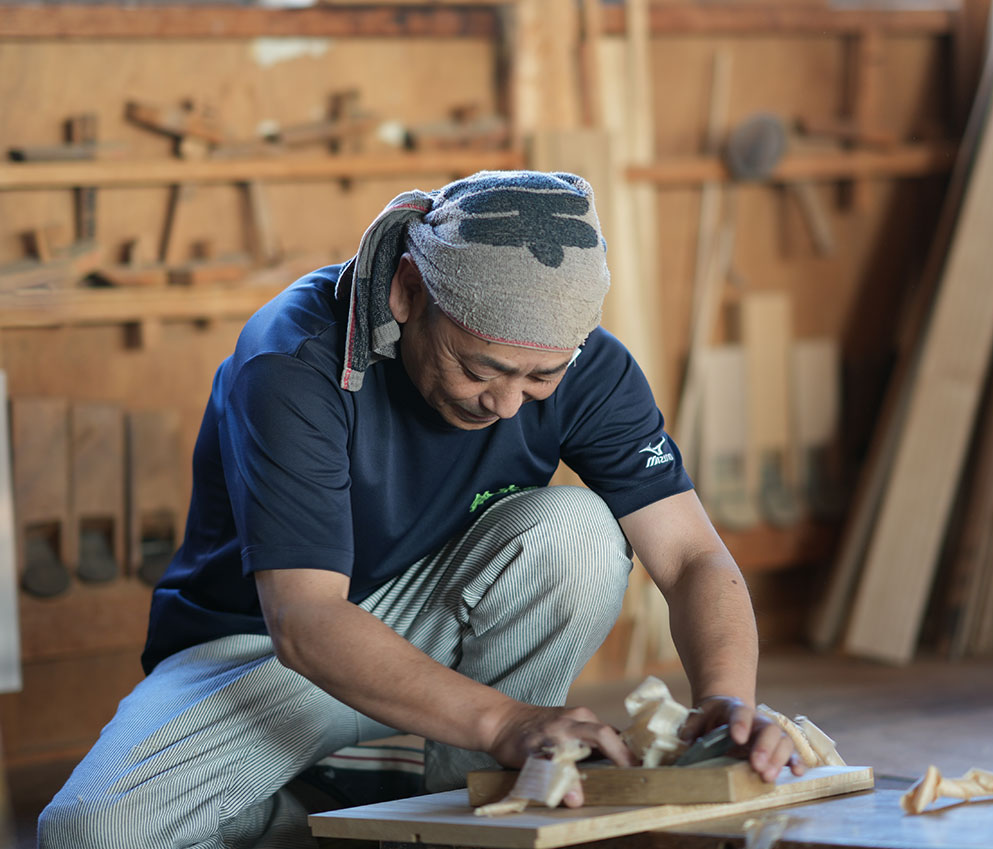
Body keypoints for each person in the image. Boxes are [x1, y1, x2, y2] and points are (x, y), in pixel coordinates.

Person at [39, 171, 800, 848]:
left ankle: (454, 800)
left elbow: (693, 555)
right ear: (407, 290)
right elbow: (305, 620)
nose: (506, 403)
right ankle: (358, 792)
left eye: (540, 379)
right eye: (480, 367)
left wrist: (727, 705)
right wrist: (507, 723)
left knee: (577, 534)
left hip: (436, 634)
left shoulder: (589, 368)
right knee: (93, 832)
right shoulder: (292, 360)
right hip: (266, 652)